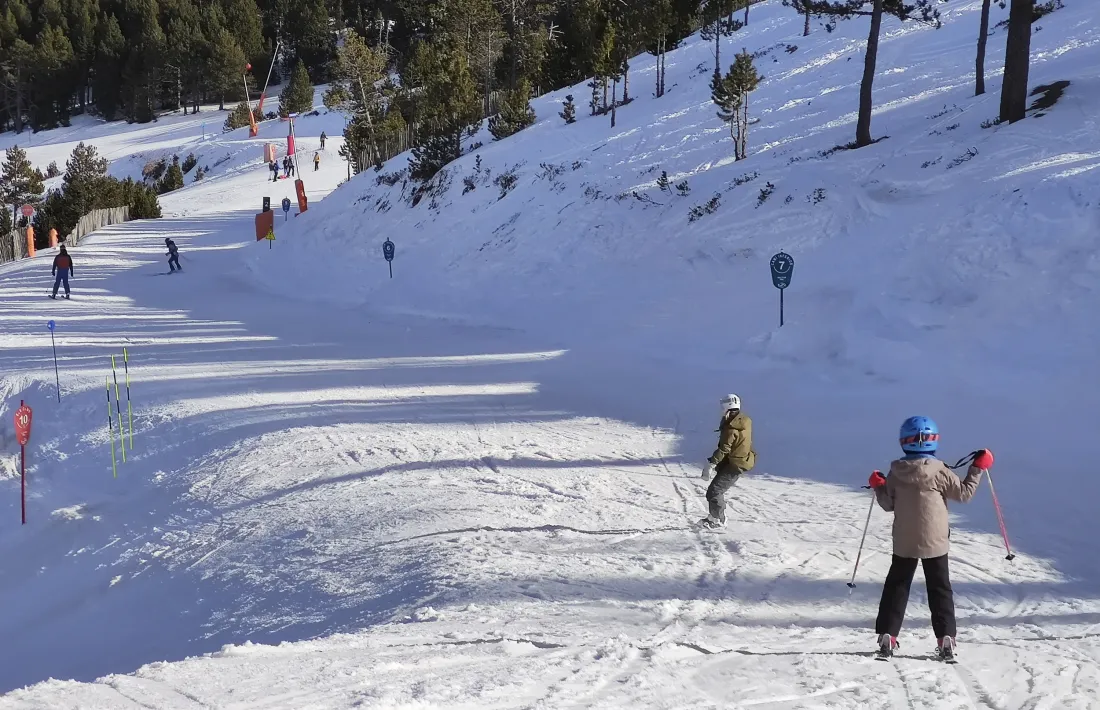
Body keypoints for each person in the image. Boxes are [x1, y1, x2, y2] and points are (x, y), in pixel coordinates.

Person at [869, 416, 988, 662]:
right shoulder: (940, 471)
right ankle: (946, 639)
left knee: (897, 587)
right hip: (935, 540)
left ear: (904, 442)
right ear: (933, 441)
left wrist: (879, 486)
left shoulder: (896, 472)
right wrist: (977, 468)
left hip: (904, 541)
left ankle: (887, 637)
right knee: (940, 588)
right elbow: (964, 494)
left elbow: (888, 504)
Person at [698, 394, 756, 530]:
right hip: (736, 460)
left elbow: (724, 448)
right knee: (714, 491)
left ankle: (718, 520)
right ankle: (714, 518)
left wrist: (711, 464)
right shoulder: (741, 421)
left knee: (715, 491)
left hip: (736, 464)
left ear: (726, 407)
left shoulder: (732, 427)